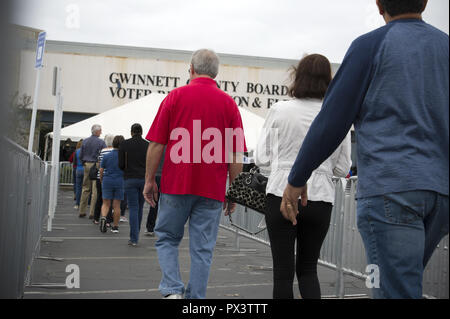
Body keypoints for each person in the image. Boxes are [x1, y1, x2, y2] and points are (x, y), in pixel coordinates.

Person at [280, 0, 449, 299]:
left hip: (392, 190)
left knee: (390, 288)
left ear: (378, 3)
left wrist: (296, 177)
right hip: (441, 193)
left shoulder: (371, 46)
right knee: (403, 284)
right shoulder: (444, 46)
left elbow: (332, 121)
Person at [143, 48, 246, 299]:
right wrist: (233, 191)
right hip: (211, 189)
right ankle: (195, 299)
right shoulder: (229, 104)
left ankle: (172, 290)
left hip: (175, 185)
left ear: (191, 69)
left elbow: (156, 144)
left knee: (167, 238)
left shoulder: (174, 97)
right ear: (216, 73)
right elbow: (236, 155)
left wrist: (149, 180)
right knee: (203, 249)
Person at [255, 54, 352, 299]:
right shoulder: (337, 114)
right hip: (320, 197)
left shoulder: (280, 109)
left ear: (297, 76)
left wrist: (281, 165)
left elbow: (261, 158)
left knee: (282, 274)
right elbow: (343, 168)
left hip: (281, 193)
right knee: (308, 270)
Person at [118, 123, 149, 246]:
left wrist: (126, 169)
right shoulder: (147, 145)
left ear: (131, 132)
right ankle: (136, 233)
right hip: (144, 179)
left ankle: (134, 237)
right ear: (141, 132)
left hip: (130, 178)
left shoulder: (124, 144)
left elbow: (120, 164)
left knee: (133, 208)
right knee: (140, 207)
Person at [79, 124, 106, 218]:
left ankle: (82, 210)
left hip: (86, 164)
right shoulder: (101, 142)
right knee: (95, 190)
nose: (101, 132)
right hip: (96, 165)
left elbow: (81, 155)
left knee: (85, 188)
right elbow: (103, 155)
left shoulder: (85, 141)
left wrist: (84, 162)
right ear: (97, 131)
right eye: (100, 130)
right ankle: (92, 212)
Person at [99, 135, 125, 234]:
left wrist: (102, 180)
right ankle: (115, 226)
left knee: (105, 203)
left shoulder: (106, 156)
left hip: (107, 180)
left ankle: (104, 218)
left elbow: (101, 170)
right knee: (117, 205)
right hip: (119, 180)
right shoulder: (124, 157)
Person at [93, 134, 115, 225]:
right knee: (109, 199)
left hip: (100, 177)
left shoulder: (102, 151)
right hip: (110, 177)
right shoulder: (115, 151)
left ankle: (96, 218)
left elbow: (99, 164)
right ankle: (108, 220)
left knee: (99, 198)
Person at [144, 146, 165, 237]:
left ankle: (150, 227)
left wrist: (148, 179)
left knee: (154, 204)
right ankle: (164, 227)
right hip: (167, 176)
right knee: (168, 204)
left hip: (156, 176)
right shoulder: (171, 147)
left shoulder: (155, 147)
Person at [72, 140, 84, 209]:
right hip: (85, 169)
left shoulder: (76, 151)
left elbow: (74, 163)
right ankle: (85, 203)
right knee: (86, 188)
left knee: (78, 187)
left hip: (78, 170)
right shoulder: (86, 151)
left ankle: (77, 204)